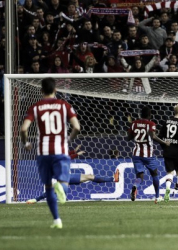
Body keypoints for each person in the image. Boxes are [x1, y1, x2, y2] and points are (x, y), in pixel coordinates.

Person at [20, 77, 80, 229]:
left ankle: (57, 220)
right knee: (63, 183)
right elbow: (77, 127)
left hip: (43, 152)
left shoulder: (35, 107)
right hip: (60, 150)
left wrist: (26, 143)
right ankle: (60, 186)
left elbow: (23, 129)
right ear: (56, 90)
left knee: (47, 187)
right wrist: (68, 139)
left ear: (41, 91)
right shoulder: (64, 105)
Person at [26, 146, 120, 204]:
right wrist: (76, 154)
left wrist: (75, 151)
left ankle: (113, 179)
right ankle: (36, 199)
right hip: (62, 177)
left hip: (66, 176)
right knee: (52, 191)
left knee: (90, 176)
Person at [127, 106, 170, 203]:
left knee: (139, 176)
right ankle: (157, 197)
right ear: (150, 115)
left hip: (136, 154)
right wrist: (164, 142)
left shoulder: (134, 124)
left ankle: (135, 186)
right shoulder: (151, 124)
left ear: (140, 114)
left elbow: (128, 138)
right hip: (148, 155)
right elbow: (153, 136)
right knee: (154, 174)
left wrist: (136, 135)